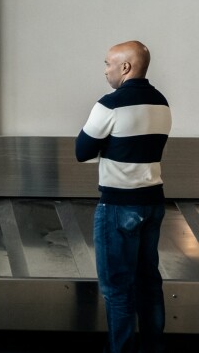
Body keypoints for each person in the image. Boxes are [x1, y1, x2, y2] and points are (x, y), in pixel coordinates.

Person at [76, 41, 171, 353]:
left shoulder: (110, 104)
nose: (106, 71)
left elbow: (82, 151)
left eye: (108, 64)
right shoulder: (161, 102)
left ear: (126, 67)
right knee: (149, 283)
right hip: (153, 203)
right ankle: (154, 347)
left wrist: (108, 145)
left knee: (117, 289)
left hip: (119, 205)